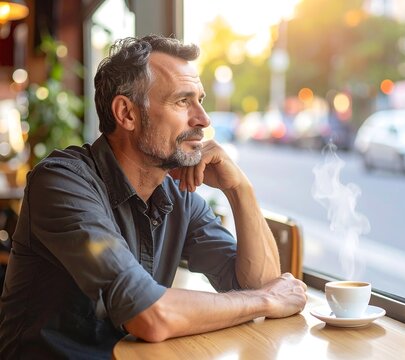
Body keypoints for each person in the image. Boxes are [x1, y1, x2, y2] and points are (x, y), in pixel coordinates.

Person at [0, 34, 307, 359]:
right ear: (127, 113)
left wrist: (239, 190)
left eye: (200, 100)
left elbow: (261, 285)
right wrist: (264, 300)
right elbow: (149, 315)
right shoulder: (62, 183)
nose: (203, 119)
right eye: (182, 101)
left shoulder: (177, 195)